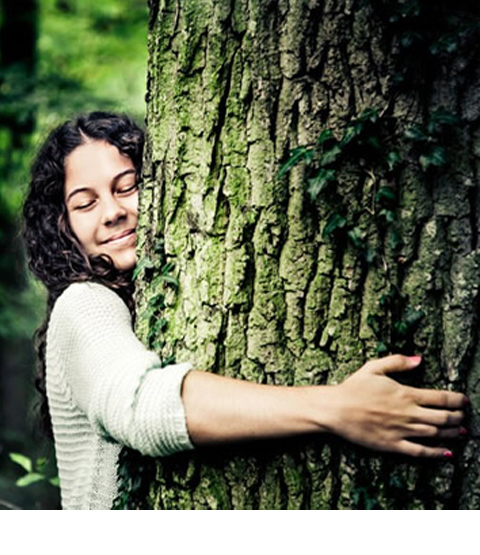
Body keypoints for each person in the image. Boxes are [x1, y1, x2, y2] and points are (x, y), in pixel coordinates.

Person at [23, 112, 468, 510]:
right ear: (60, 225)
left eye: (129, 187)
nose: (115, 212)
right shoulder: (82, 304)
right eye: (85, 203)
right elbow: (140, 406)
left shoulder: (142, 298)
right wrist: (338, 408)